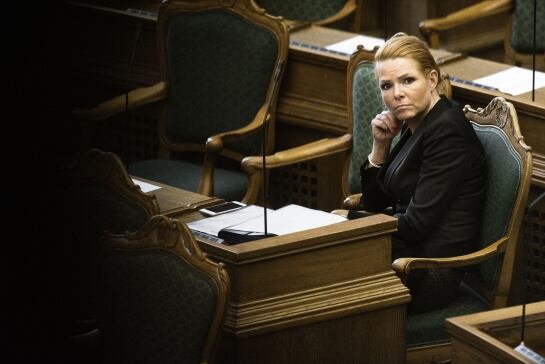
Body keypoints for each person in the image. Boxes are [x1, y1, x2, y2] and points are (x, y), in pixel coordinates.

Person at [359, 33, 487, 312]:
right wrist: (380, 146)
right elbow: (374, 203)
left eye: (407, 80)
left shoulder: (446, 130)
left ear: (431, 79)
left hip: (429, 270)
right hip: (403, 253)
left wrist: (354, 226)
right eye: (386, 85)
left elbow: (417, 224)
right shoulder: (414, 121)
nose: (397, 94)